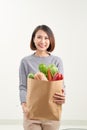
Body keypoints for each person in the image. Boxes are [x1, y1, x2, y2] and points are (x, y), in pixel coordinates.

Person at [19, 25, 65, 130]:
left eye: (46, 38)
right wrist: (24, 106)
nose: (42, 41)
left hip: (51, 112)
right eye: (39, 37)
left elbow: (61, 85)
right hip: (32, 112)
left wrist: (63, 96)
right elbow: (23, 87)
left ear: (50, 40)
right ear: (33, 39)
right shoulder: (25, 61)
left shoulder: (57, 61)